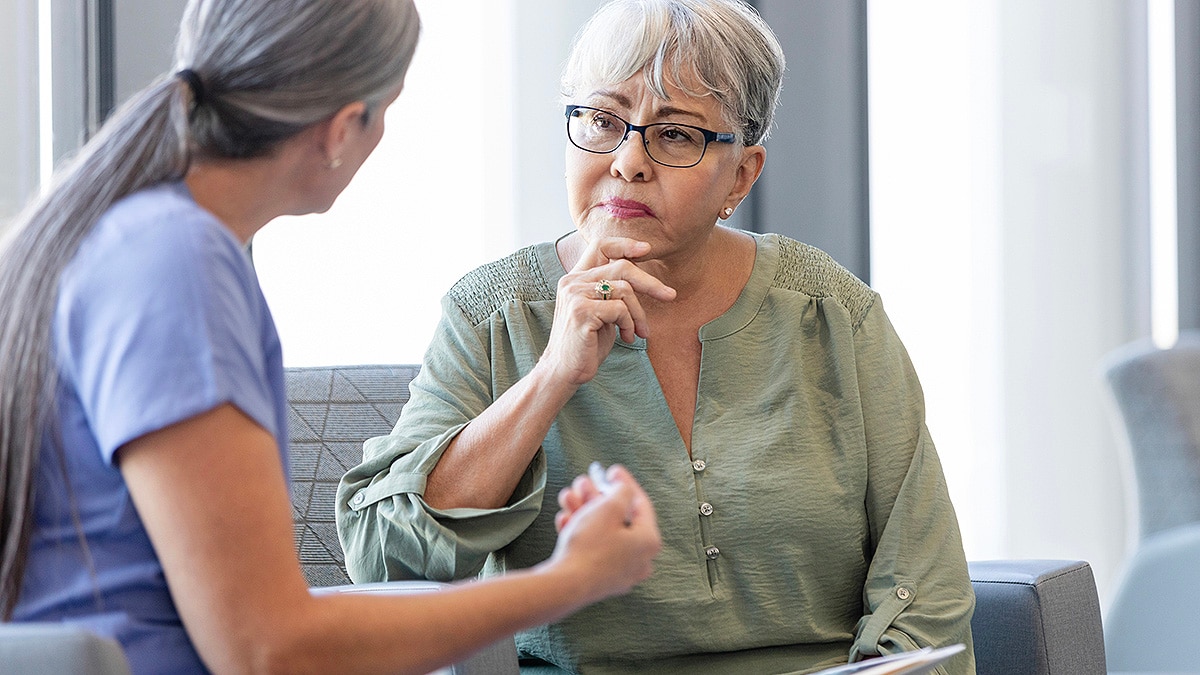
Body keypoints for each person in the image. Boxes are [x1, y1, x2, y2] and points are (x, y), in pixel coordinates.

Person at [0, 1, 663, 673]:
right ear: (344, 126)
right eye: (387, 112)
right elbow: (271, 646)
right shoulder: (179, 265)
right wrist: (572, 579)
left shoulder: (128, 236)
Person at [337, 0, 975, 673]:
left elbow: (926, 590)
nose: (628, 161)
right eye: (603, 122)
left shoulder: (834, 314)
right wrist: (554, 371)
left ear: (742, 174)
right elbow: (384, 560)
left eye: (675, 135)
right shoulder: (490, 315)